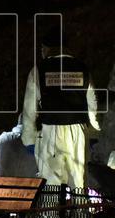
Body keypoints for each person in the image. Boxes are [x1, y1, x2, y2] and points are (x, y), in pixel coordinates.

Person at [21, 28, 101, 189]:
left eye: (42, 48)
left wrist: (28, 138)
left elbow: (30, 109)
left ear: (48, 48)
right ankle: (80, 214)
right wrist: (94, 130)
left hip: (50, 131)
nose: (41, 52)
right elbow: (92, 102)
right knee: (78, 182)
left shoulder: (39, 70)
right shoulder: (82, 68)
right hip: (77, 131)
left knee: (51, 183)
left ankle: (50, 215)